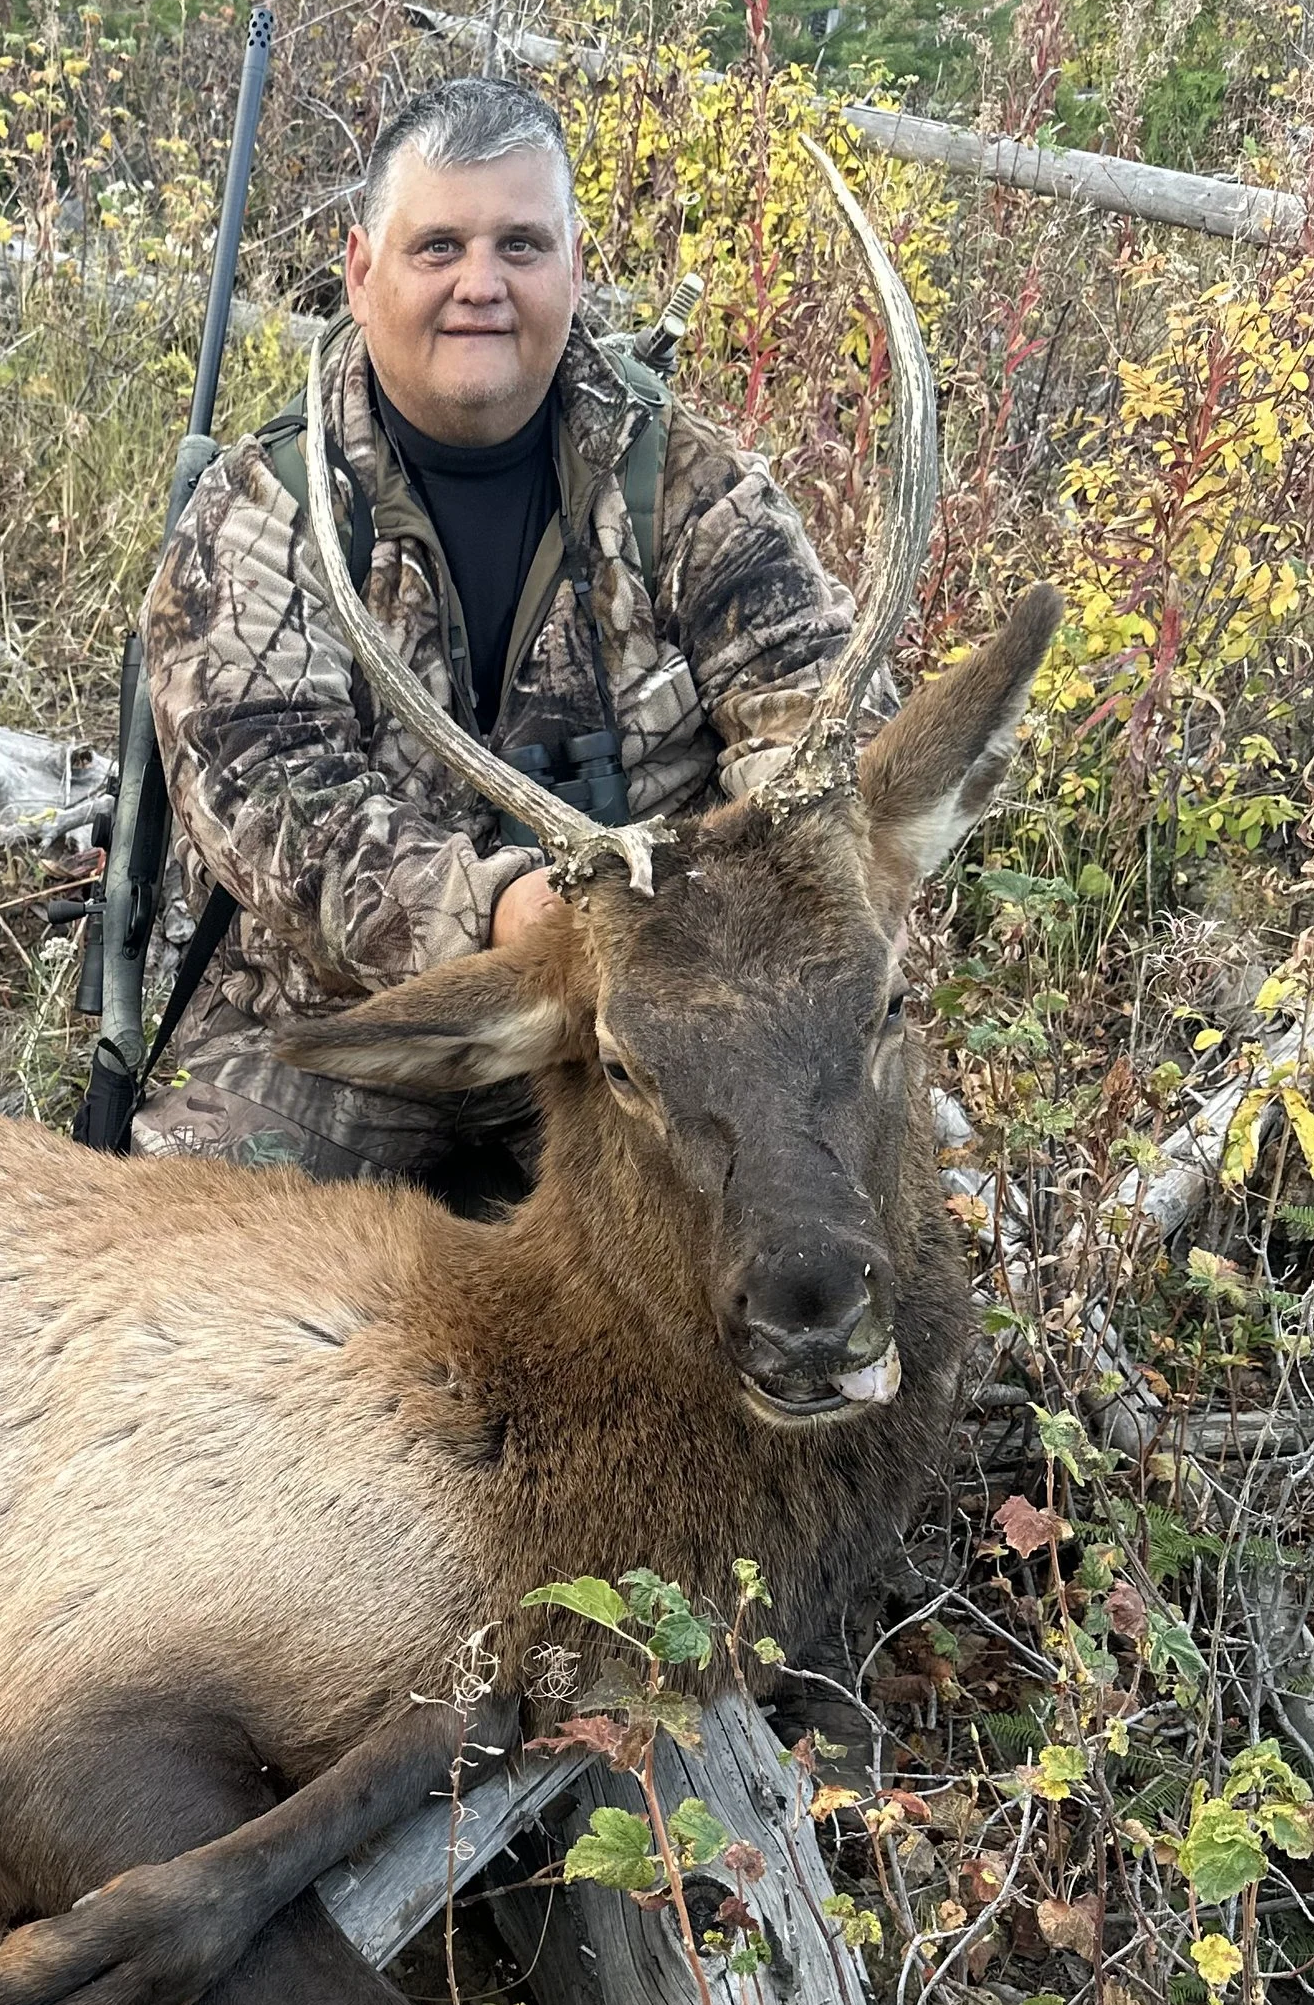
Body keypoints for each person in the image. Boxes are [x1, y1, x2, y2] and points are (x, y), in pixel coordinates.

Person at [132, 74, 869, 1190]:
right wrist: (503, 915)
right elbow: (277, 809)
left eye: (520, 246)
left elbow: (816, 723)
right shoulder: (263, 515)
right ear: (360, 267)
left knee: (859, 1215)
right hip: (358, 1037)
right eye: (438, 246)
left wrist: (702, 924)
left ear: (574, 268)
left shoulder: (692, 487)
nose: (480, 284)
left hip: (663, 1026)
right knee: (205, 1277)